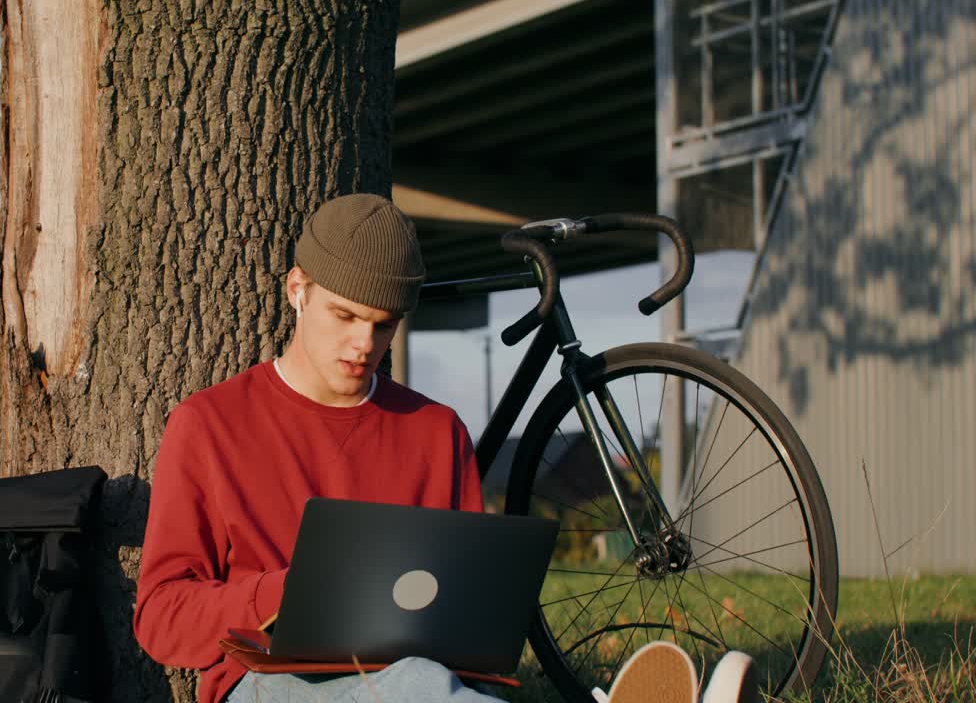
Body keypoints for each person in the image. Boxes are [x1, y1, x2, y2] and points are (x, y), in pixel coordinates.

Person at [132, 193, 761, 703]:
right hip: (271, 684)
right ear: (298, 289)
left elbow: (465, 618)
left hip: (422, 679)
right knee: (413, 686)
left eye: (384, 325)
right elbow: (159, 617)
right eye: (344, 316)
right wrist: (284, 594)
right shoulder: (209, 425)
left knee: (419, 681)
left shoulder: (435, 431)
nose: (364, 344)